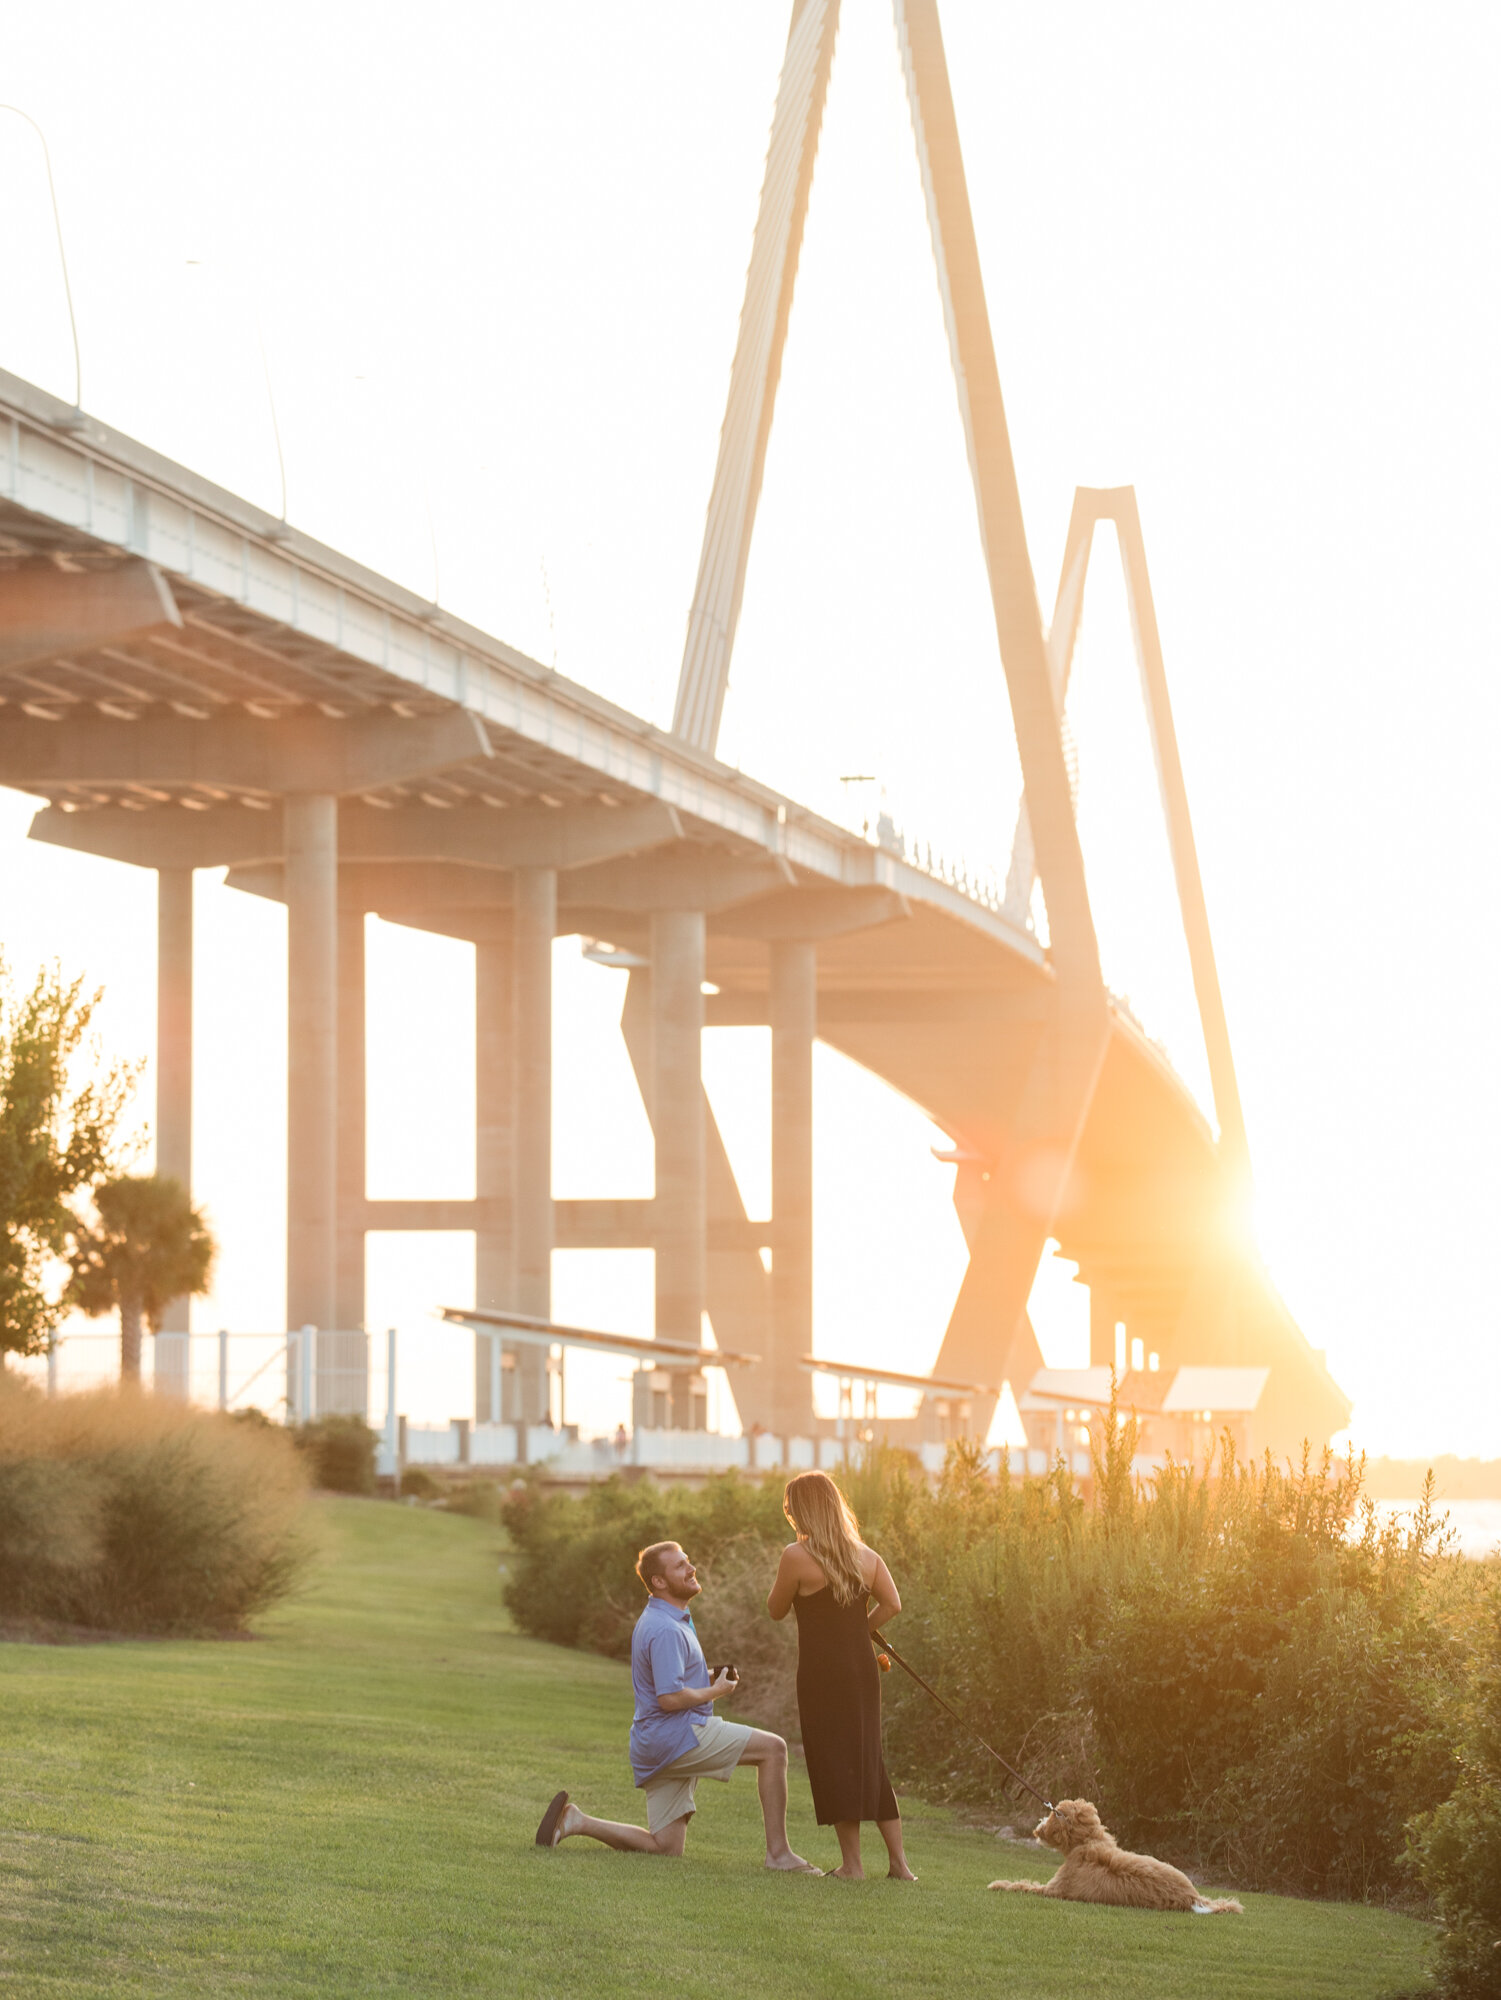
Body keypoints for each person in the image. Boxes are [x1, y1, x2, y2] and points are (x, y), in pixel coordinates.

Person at [535, 1539, 819, 1869]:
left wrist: (710, 1676)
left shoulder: (667, 1620)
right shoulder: (665, 1628)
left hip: (657, 1743)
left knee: (666, 1847)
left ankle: (577, 1821)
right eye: (680, 1565)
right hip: (678, 1735)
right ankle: (779, 1855)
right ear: (659, 1581)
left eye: (688, 1560)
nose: (691, 1568)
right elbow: (669, 1698)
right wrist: (717, 1692)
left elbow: (672, 1680)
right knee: (774, 1749)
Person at [767, 1469, 916, 1881]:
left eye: (791, 1509)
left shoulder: (796, 1557)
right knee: (870, 1757)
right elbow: (893, 1604)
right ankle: (900, 1865)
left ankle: (852, 1866)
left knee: (834, 1759)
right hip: (862, 1671)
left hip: (822, 1673)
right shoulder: (866, 1556)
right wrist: (858, 1630)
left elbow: (776, 1609)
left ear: (802, 1511)